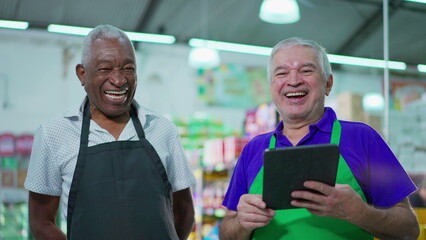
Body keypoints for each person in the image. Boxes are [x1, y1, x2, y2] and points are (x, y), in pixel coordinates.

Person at [219, 37, 419, 239]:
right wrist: (241, 223)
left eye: (306, 70)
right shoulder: (254, 148)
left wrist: (360, 213)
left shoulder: (362, 139)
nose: (294, 80)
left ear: (328, 83)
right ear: (271, 86)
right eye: (281, 73)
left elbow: (409, 230)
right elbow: (227, 232)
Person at [24, 24, 195, 240]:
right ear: (82, 74)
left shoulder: (162, 130)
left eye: (128, 68)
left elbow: (185, 211)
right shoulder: (53, 133)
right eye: (105, 69)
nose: (119, 79)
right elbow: (40, 221)